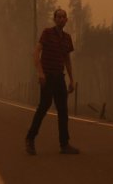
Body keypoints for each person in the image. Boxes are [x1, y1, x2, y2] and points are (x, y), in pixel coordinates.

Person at [25, 8, 79, 155]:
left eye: (63, 17)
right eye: (58, 17)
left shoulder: (67, 38)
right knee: (43, 107)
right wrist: (40, 73)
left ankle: (64, 144)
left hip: (59, 78)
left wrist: (71, 79)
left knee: (63, 111)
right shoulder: (47, 33)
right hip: (47, 76)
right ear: (54, 19)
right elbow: (36, 52)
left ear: (66, 20)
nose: (61, 19)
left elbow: (67, 59)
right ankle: (30, 139)